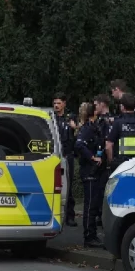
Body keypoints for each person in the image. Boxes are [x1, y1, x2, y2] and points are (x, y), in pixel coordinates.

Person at [74, 103, 105, 248]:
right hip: (89, 171)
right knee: (90, 205)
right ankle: (89, 236)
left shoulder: (95, 127)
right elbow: (79, 145)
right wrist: (92, 158)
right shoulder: (87, 129)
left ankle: (92, 234)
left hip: (95, 171)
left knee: (94, 203)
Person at [53, 93, 78, 227]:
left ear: (64, 104)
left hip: (67, 155)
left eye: (59, 103)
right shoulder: (51, 118)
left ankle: (70, 215)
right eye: (55, 103)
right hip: (55, 155)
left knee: (68, 186)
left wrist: (75, 128)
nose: (56, 105)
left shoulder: (70, 118)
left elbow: (79, 134)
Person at [92, 94, 112, 226]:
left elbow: (106, 142)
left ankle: (101, 214)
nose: (95, 107)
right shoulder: (105, 119)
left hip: (104, 159)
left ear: (102, 104)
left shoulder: (106, 121)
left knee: (102, 188)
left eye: (96, 105)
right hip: (102, 158)